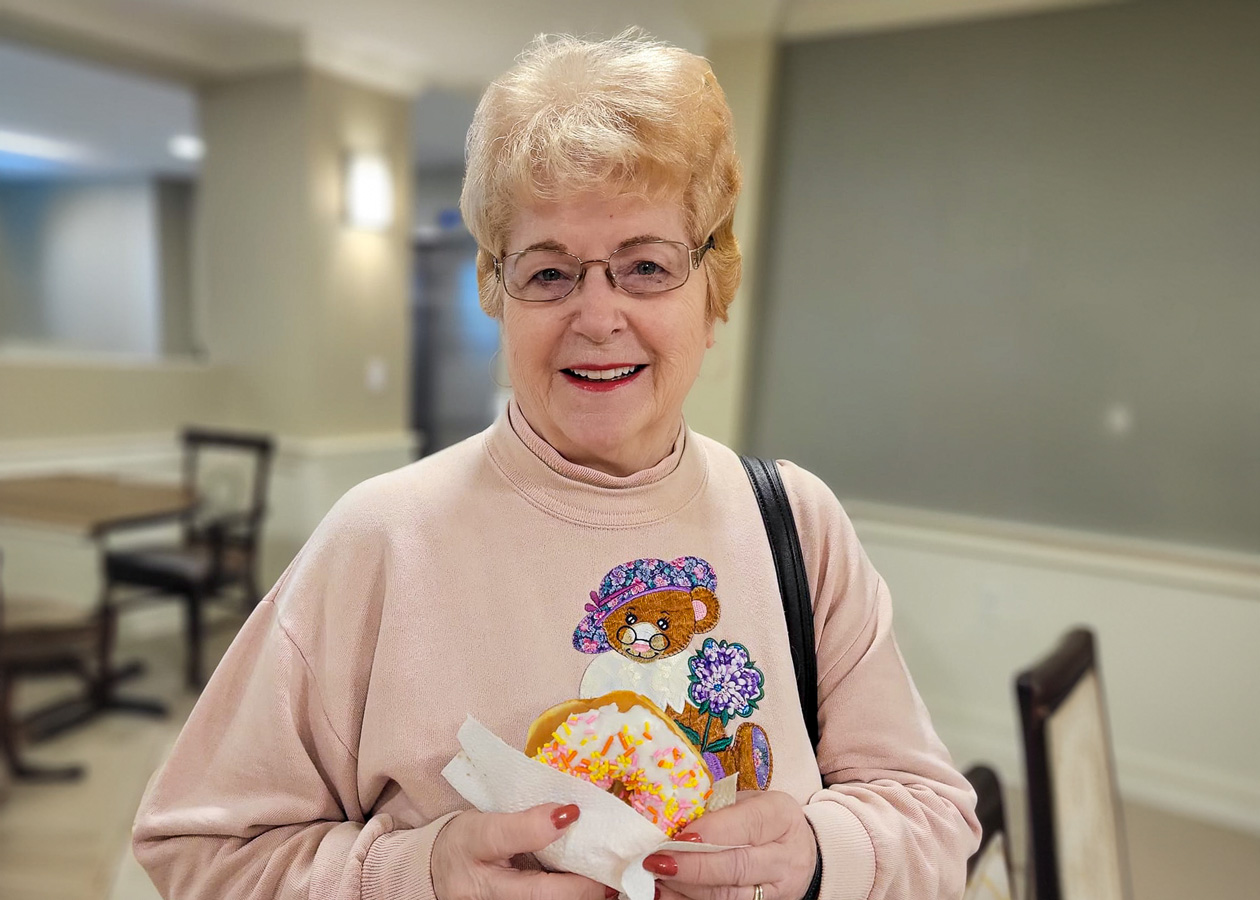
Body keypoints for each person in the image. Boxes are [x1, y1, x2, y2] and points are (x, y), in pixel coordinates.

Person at [133, 32, 980, 900]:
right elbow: (198, 847)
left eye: (646, 266)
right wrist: (413, 876)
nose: (597, 314)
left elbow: (934, 818)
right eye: (549, 274)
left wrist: (813, 854)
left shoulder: (797, 523)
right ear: (497, 293)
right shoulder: (383, 538)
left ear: (713, 290)